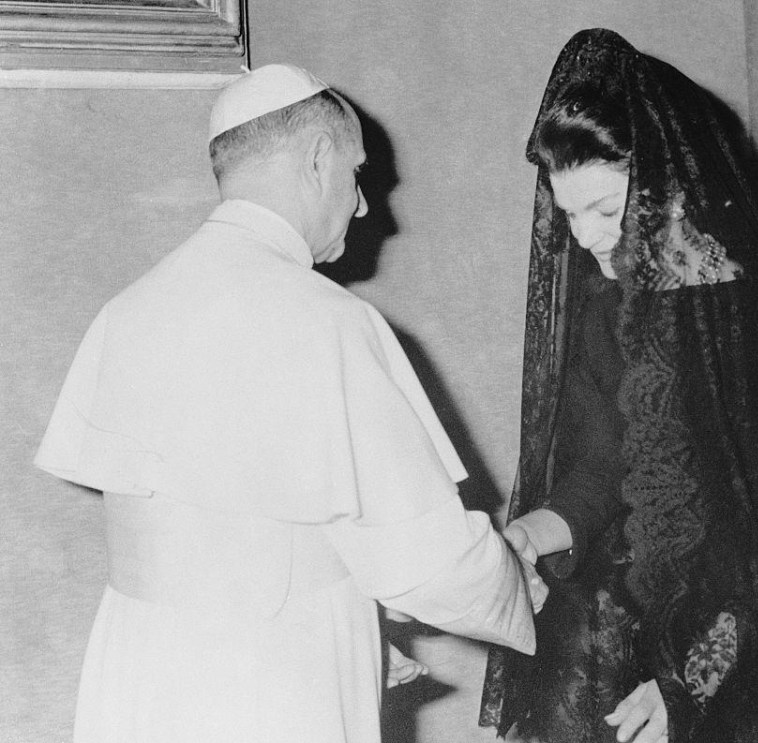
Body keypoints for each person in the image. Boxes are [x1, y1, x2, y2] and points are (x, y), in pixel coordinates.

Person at [35, 63, 544, 743]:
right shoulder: (326, 320)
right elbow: (426, 562)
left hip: (141, 674)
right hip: (270, 679)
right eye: (357, 174)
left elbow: (227, 525)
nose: (363, 205)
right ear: (316, 159)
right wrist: (517, 582)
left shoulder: (125, 312)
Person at [479, 29, 758, 743]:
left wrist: (690, 683)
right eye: (568, 212)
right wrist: (528, 533)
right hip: (641, 629)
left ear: (664, 190)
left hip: (751, 653)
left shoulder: (757, 329)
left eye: (606, 211)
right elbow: (603, 466)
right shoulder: (607, 306)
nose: (583, 238)